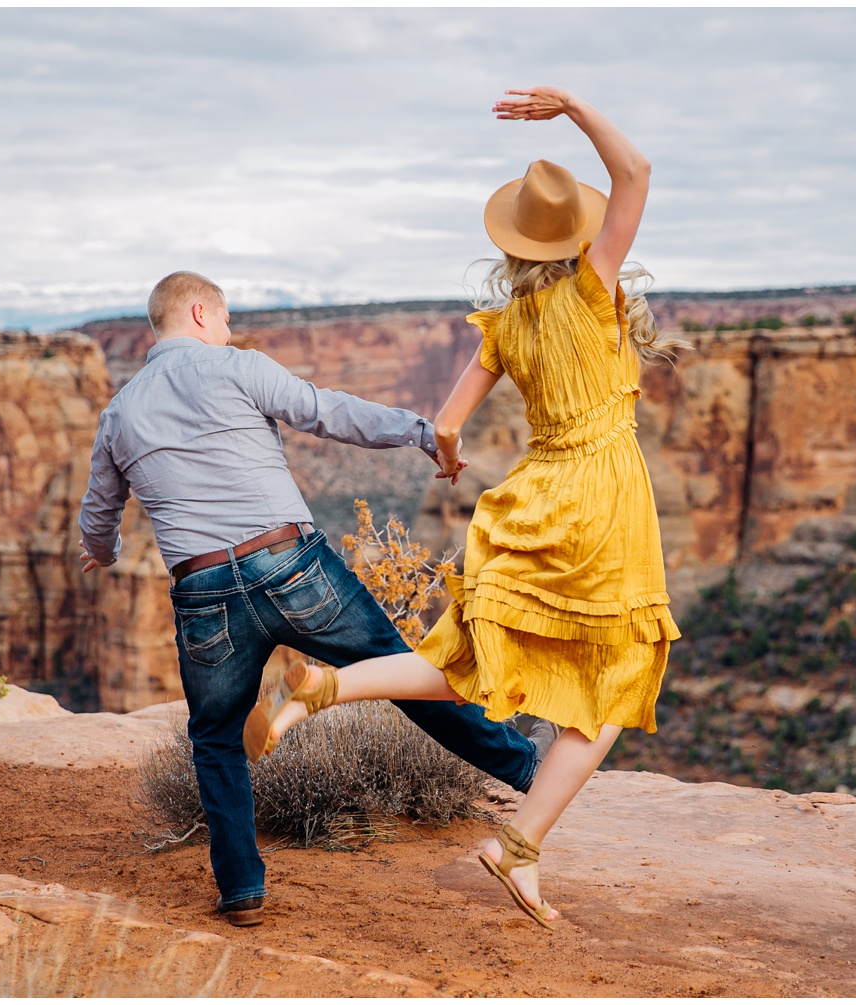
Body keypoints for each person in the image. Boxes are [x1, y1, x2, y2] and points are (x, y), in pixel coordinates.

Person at [243, 86, 684, 930]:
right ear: (580, 238)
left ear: (518, 244)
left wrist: (448, 460)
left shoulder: (506, 322)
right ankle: (516, 848)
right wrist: (575, 108)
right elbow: (636, 170)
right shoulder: (594, 290)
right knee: (618, 679)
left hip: (534, 492)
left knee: (467, 662)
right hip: (602, 498)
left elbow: (446, 428)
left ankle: (323, 687)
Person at [77, 272, 542, 928]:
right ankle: (525, 765)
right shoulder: (238, 367)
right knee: (398, 668)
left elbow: (99, 512)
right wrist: (422, 431)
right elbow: (329, 412)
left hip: (204, 592)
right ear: (202, 312)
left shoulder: (119, 412)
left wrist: (105, 551)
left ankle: (241, 888)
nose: (231, 330)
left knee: (214, 737)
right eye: (228, 318)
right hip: (291, 565)